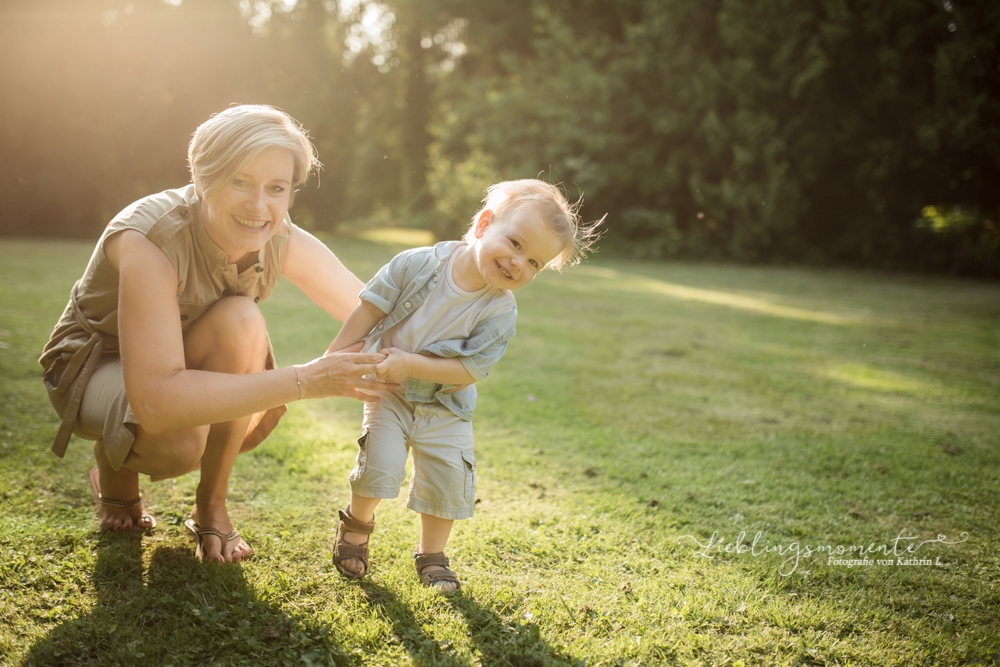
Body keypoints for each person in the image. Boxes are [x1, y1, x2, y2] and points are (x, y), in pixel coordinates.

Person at [39, 105, 397, 563]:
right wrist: (309, 380)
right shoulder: (150, 238)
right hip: (95, 364)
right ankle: (113, 467)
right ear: (203, 176)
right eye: (240, 182)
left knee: (241, 319)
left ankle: (211, 506)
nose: (259, 206)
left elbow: (371, 310)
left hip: (178, 361)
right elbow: (157, 401)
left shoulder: (278, 235)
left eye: (276, 189)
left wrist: (445, 350)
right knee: (180, 444)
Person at [326, 179, 600, 591]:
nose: (517, 263)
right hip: (390, 395)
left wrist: (408, 363)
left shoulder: (500, 310)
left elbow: (468, 369)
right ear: (484, 224)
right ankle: (357, 525)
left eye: (534, 263)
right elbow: (368, 309)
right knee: (378, 464)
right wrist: (335, 358)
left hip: (446, 406)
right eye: (515, 243)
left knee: (447, 478)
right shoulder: (417, 264)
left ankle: (432, 556)